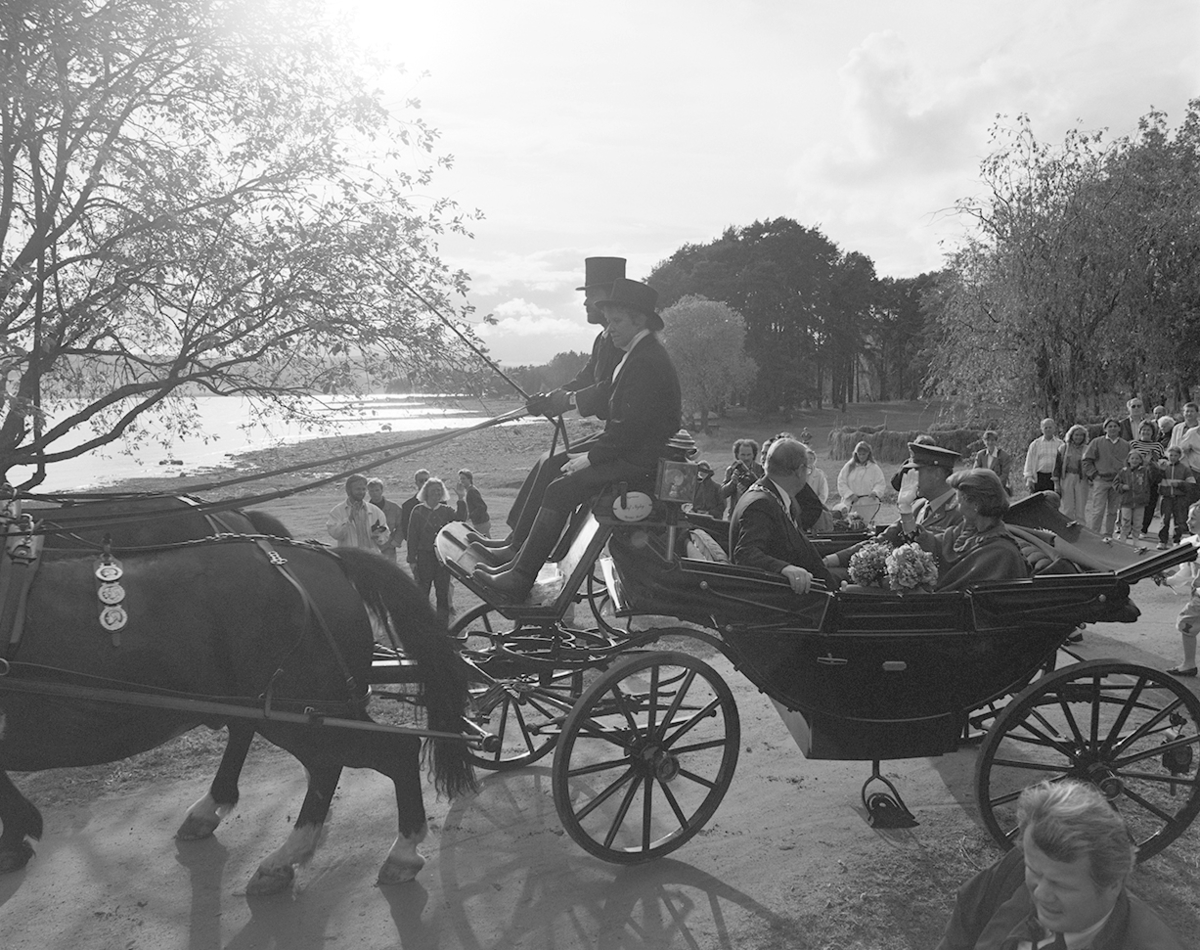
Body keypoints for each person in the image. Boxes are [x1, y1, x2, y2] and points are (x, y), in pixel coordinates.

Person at [474, 278, 682, 600]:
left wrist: (589, 459)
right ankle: (517, 557)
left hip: (640, 460)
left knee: (561, 488)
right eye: (609, 322)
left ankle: (520, 577)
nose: (610, 329)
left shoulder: (645, 361)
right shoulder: (635, 353)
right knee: (557, 467)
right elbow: (620, 420)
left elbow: (629, 429)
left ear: (638, 321)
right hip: (633, 450)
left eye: (616, 322)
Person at [477, 257, 626, 551]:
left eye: (591, 296)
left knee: (555, 468)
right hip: (614, 436)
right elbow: (585, 379)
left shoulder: (622, 343)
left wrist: (567, 401)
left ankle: (522, 548)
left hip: (620, 440)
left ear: (609, 298)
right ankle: (516, 539)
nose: (585, 304)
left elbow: (607, 388)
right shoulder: (603, 339)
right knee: (547, 460)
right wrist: (549, 399)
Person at [937, 779, 1186, 950]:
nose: (1040, 893)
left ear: (1112, 883)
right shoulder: (1016, 868)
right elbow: (962, 928)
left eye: (1061, 885)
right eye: (1034, 871)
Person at [728, 437, 834, 593]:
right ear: (799, 471)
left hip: (808, 590)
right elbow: (745, 553)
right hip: (786, 600)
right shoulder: (761, 503)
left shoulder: (772, 495)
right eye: (807, 469)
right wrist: (786, 568)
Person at [905, 468, 1029, 591]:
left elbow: (960, 593)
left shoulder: (1001, 553)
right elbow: (935, 542)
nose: (958, 509)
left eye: (959, 502)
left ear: (976, 505)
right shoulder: (966, 532)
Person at [406, 477, 459, 622]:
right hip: (424, 556)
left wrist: (461, 498)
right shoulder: (417, 511)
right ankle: (422, 621)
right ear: (426, 492)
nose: (437, 492)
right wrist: (411, 559)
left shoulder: (447, 511)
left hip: (442, 557)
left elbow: (460, 520)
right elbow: (412, 536)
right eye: (434, 490)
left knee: (442, 592)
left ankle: (442, 623)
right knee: (423, 590)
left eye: (439, 490)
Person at [1163, 502, 1200, 677]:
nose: (1188, 521)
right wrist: (1170, 580)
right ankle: (1189, 663)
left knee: (1186, 625)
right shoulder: (1192, 543)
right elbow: (1186, 571)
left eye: (1193, 518)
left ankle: (1189, 664)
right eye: (1188, 516)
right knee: (1187, 625)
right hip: (1198, 597)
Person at [1082, 419, 1130, 538]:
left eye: (1115, 426)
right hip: (1101, 480)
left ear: (1119, 428)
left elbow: (1130, 464)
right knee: (1098, 510)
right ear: (1105, 429)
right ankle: (1094, 535)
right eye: (1110, 426)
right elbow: (1087, 460)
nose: (1112, 428)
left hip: (1117, 482)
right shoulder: (1097, 442)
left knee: (1113, 511)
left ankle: (1108, 535)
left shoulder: (1125, 445)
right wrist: (1093, 475)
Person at [326, 474, 389, 551]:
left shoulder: (375, 511)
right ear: (348, 490)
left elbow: (385, 534)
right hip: (349, 557)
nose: (361, 492)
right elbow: (336, 534)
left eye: (363, 489)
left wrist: (378, 536)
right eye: (358, 489)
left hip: (371, 557)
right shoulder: (337, 511)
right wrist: (349, 518)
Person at [1130, 419, 1166, 537]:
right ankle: (1131, 527)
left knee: (1150, 505)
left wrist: (1156, 462)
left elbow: (1164, 461)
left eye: (1149, 430)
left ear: (1153, 432)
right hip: (1136, 478)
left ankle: (1143, 529)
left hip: (1152, 479)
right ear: (1140, 431)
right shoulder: (1133, 444)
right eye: (1144, 429)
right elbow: (1128, 460)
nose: (1146, 432)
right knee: (1134, 503)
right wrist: (1143, 462)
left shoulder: (1158, 445)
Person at [1156, 445, 1194, 548]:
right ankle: (1162, 541)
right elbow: (1156, 480)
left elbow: (1191, 485)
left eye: (1175, 455)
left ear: (1179, 456)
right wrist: (1161, 471)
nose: (1172, 457)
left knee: (1179, 520)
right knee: (1165, 519)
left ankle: (1176, 540)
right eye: (1171, 455)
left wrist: (1180, 484)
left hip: (1180, 497)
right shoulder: (1164, 467)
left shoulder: (1185, 469)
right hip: (1166, 497)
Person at [837, 440, 886, 509]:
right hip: (851, 504)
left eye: (864, 454)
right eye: (859, 454)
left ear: (868, 454)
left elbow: (880, 483)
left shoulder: (874, 468)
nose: (861, 457)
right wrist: (850, 495)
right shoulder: (849, 467)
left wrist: (875, 492)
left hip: (868, 505)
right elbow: (841, 482)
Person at [1114, 451, 1151, 543]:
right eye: (1132, 458)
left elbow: (1151, 480)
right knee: (1125, 522)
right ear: (1128, 460)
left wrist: (1149, 463)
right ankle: (1123, 539)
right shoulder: (1123, 471)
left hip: (1140, 502)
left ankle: (1136, 540)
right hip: (1126, 502)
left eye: (1137, 458)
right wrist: (1122, 487)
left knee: (1138, 522)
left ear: (1140, 461)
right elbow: (1115, 483)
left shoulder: (1144, 471)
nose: (1134, 460)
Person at [720, 438, 763, 517]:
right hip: (736, 514)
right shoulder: (731, 469)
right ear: (737, 455)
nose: (746, 458)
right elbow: (722, 494)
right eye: (743, 455)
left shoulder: (761, 470)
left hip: (755, 514)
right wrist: (732, 482)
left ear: (754, 455)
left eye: (749, 454)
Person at [1056, 425, 1090, 521]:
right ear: (1071, 435)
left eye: (1081, 435)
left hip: (1082, 479)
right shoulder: (1063, 448)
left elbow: (1091, 465)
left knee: (1080, 506)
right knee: (1067, 507)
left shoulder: (1088, 449)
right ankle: (1067, 529)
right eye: (1076, 435)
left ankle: (1081, 530)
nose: (1078, 437)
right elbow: (1057, 466)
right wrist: (1056, 483)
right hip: (1066, 477)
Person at [366, 477, 403, 561]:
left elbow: (401, 526)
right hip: (370, 547)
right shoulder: (364, 509)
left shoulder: (394, 508)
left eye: (377, 490)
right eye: (371, 491)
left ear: (382, 490)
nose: (374, 493)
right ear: (368, 492)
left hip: (388, 548)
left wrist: (395, 542)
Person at [1023, 419, 1064, 494]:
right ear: (1042, 429)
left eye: (1050, 427)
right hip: (1039, 478)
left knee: (1053, 502)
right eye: (1046, 428)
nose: (1048, 429)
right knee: (1039, 503)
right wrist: (1029, 478)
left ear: (1054, 428)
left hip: (1055, 478)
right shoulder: (1035, 444)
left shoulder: (1061, 444)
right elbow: (1029, 462)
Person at [398, 468, 430, 558]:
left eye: (426, 480)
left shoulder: (441, 503)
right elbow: (405, 531)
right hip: (418, 550)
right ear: (416, 483)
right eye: (421, 481)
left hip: (437, 547)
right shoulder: (408, 506)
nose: (424, 483)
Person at [973, 430, 1012, 494]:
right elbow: (975, 472)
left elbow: (1004, 475)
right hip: (983, 489)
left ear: (996, 441)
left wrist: (993, 486)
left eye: (992, 440)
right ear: (984, 442)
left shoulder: (1004, 456)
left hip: (998, 489)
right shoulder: (980, 455)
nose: (990, 442)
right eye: (987, 440)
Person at [454, 469, 490, 538]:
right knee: (486, 542)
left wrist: (471, 515)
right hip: (479, 522)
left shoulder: (472, 491)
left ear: (469, 479)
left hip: (481, 522)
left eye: (463, 478)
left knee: (485, 543)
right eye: (460, 479)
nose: (461, 481)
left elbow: (482, 507)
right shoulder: (469, 490)